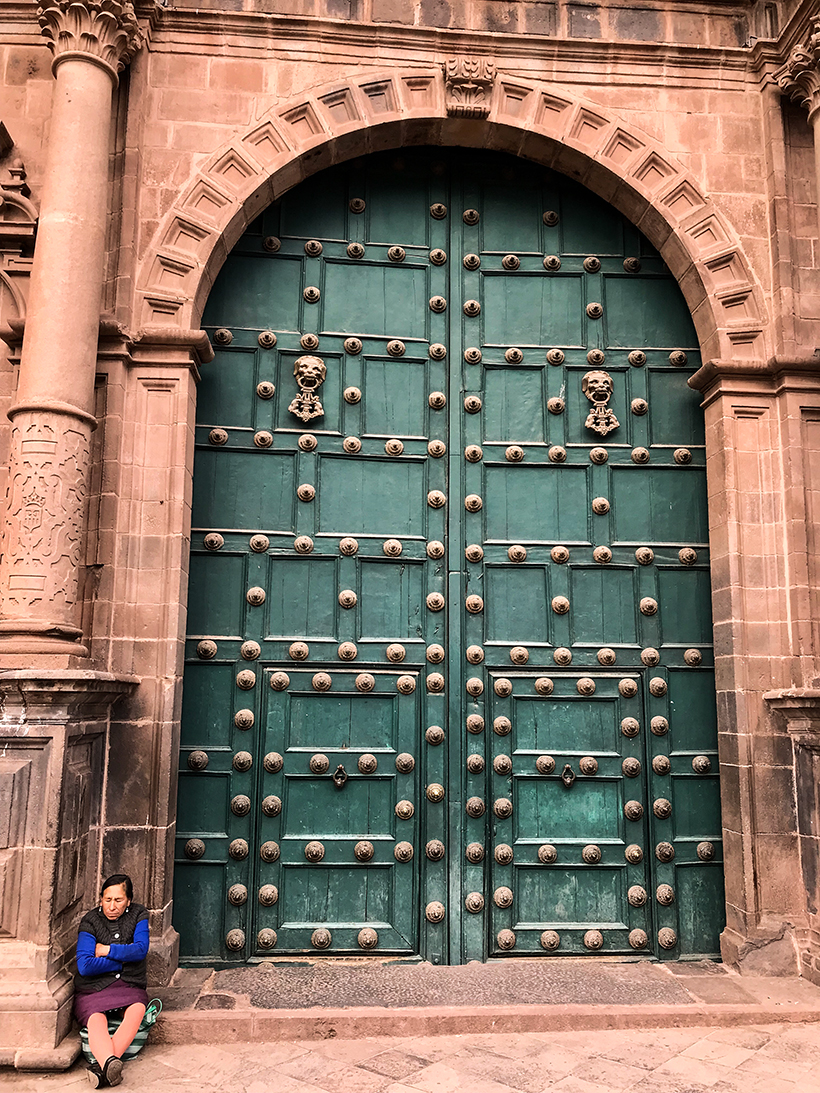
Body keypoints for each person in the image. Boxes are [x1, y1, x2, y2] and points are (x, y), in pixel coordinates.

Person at [74, 874, 150, 1088]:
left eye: (118, 900)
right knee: (96, 1018)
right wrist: (123, 961)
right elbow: (85, 965)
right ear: (101, 900)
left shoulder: (138, 914)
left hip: (129, 984)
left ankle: (102, 1067)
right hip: (93, 988)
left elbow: (141, 949)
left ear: (128, 901)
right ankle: (109, 1065)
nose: (112, 906)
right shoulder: (90, 921)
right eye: (107, 900)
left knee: (136, 1009)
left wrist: (107, 950)